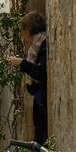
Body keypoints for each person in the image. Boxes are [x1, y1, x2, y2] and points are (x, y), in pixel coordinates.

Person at [8, 12, 48, 144]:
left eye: (22, 30)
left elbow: (42, 73)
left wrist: (22, 63)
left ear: (28, 30)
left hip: (45, 106)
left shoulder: (43, 46)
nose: (22, 34)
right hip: (40, 104)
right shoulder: (35, 48)